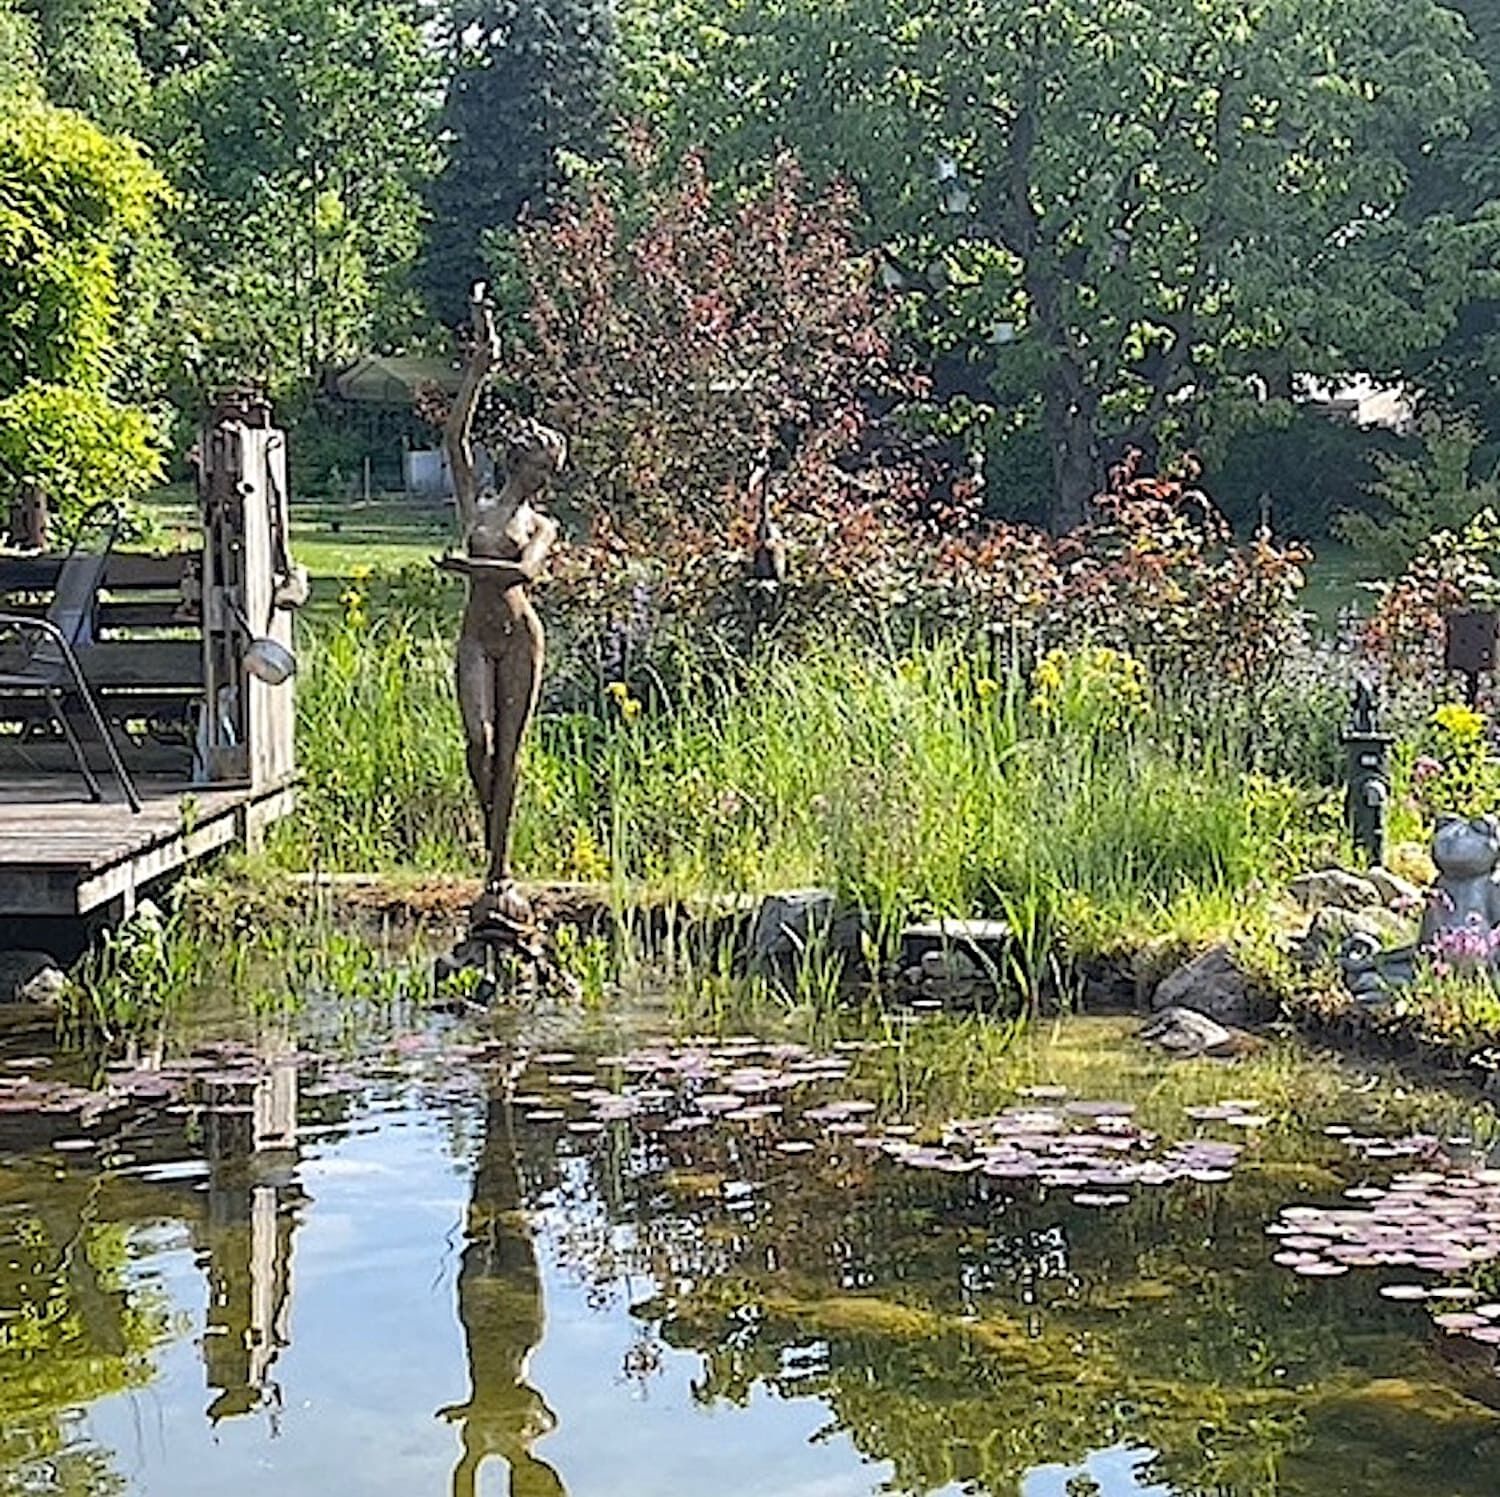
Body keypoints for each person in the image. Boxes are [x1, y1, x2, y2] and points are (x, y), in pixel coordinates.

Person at [436, 284, 564, 935]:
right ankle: (495, 840)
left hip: (519, 638)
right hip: (473, 635)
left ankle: (498, 865)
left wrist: (464, 569)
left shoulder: (543, 522)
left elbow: (522, 572)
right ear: (521, 461)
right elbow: (455, 437)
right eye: (542, 466)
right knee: (477, 743)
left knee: (509, 753)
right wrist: (478, 369)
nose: (546, 478)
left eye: (550, 470)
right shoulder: (477, 507)